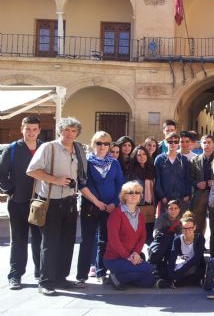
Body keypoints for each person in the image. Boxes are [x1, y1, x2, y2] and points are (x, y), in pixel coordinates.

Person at [27, 117, 87, 296]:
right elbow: (31, 170)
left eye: (73, 131)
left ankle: (61, 278)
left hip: (70, 201)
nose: (69, 134)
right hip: (51, 201)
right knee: (50, 243)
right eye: (66, 130)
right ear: (60, 130)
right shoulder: (49, 147)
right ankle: (45, 281)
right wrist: (56, 180)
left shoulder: (78, 149)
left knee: (67, 243)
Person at [76, 131, 125, 285]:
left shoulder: (114, 163)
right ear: (93, 144)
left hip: (110, 208)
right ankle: (81, 275)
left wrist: (113, 204)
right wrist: (97, 203)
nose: (102, 146)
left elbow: (120, 185)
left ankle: (101, 271)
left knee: (104, 240)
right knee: (87, 240)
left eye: (106, 143)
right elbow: (83, 184)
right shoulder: (86, 162)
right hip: (91, 206)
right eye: (99, 143)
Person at [0, 116, 43, 290]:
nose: (31, 132)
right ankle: (15, 275)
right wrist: (11, 190)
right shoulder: (12, 149)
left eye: (34, 129)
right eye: (28, 129)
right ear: (22, 129)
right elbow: (1, 174)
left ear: (39, 130)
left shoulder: (45, 148)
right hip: (18, 202)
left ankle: (41, 275)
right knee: (18, 240)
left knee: (40, 240)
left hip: (40, 203)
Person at [103, 181, 155, 290]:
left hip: (132, 257)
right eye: (131, 192)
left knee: (149, 281)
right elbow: (113, 240)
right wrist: (128, 256)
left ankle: (118, 278)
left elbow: (142, 237)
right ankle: (121, 275)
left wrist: (136, 253)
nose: (134, 195)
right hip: (114, 259)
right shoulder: (116, 214)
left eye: (137, 192)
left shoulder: (140, 214)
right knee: (149, 268)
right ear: (124, 196)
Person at [162, 214, 206, 288]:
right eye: (184, 228)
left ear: (194, 227)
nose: (187, 231)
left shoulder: (200, 239)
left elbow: (196, 258)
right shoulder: (177, 240)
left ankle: (175, 283)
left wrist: (181, 271)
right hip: (181, 263)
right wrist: (171, 273)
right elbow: (172, 257)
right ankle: (175, 281)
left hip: (194, 265)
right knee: (165, 269)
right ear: (181, 228)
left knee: (193, 272)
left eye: (190, 228)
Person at [154, 132, 191, 217]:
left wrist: (187, 195)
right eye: (170, 142)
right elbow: (157, 179)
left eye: (176, 141)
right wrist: (162, 196)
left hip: (181, 198)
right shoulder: (159, 159)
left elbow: (187, 178)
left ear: (178, 143)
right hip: (166, 199)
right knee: (165, 225)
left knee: (181, 224)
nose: (173, 144)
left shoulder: (183, 159)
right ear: (166, 143)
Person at [127, 145, 156, 244]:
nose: (142, 156)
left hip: (150, 205)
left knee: (149, 235)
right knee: (136, 235)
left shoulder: (152, 169)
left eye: (144, 154)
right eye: (139, 155)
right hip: (136, 206)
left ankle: (149, 257)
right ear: (135, 157)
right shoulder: (131, 171)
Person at [148, 199, 182, 277]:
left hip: (174, 244)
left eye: (176, 208)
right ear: (167, 210)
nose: (173, 211)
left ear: (179, 209)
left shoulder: (182, 220)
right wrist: (163, 234)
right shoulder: (162, 218)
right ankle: (152, 265)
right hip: (162, 242)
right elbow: (155, 232)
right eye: (171, 208)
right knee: (157, 252)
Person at [190, 135, 214, 239]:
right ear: (201, 144)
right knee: (198, 221)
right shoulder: (194, 160)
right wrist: (197, 184)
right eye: (204, 142)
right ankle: (199, 244)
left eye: (209, 142)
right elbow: (190, 178)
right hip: (200, 194)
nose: (207, 145)